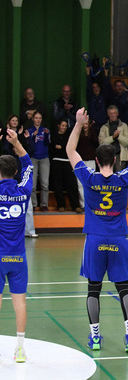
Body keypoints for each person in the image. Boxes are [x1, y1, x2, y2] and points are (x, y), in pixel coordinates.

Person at [67, 107, 128, 352]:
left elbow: (70, 151)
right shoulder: (124, 179)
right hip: (118, 239)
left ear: (98, 161)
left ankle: (95, 338)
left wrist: (78, 124)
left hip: (95, 240)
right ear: (116, 160)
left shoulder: (89, 179)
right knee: (124, 288)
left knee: (94, 289)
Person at [0, 129, 33, 362]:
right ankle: (20, 349)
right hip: (18, 257)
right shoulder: (23, 190)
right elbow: (28, 164)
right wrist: (16, 142)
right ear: (15, 172)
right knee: (19, 302)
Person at [98, 105, 128, 172]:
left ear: (117, 114)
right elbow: (101, 143)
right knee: (108, 176)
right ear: (108, 114)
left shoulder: (124, 126)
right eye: (110, 113)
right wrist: (113, 137)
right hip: (107, 157)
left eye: (114, 113)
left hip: (120, 156)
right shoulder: (104, 127)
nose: (112, 115)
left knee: (119, 176)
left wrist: (118, 136)